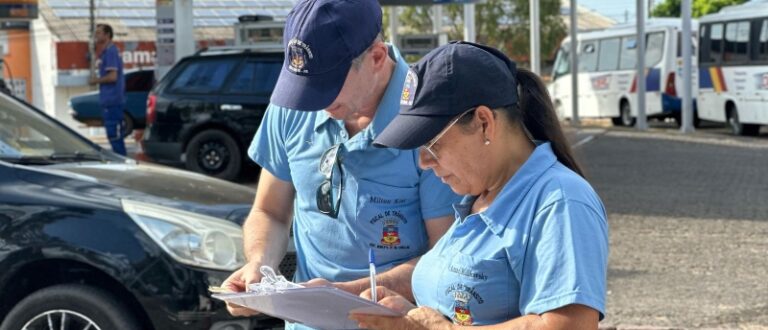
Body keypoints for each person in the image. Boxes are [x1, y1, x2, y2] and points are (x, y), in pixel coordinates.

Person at [223, 0, 460, 327]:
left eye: (326, 84)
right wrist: (260, 267)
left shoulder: (431, 120)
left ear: (377, 58)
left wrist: (348, 294)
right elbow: (270, 211)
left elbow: (447, 254)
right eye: (302, 85)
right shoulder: (294, 107)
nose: (311, 100)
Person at [349, 41, 610, 329]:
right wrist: (403, 312)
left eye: (432, 144)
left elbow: (569, 325)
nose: (424, 161)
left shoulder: (561, 200)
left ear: (484, 122)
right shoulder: (479, 196)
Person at [89, 23, 126, 156]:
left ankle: (122, 162)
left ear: (107, 35)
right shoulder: (105, 52)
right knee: (112, 135)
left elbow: (112, 76)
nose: (96, 36)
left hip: (112, 100)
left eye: (99, 33)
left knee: (114, 135)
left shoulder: (111, 51)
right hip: (108, 100)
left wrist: (96, 80)